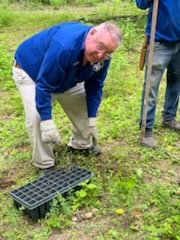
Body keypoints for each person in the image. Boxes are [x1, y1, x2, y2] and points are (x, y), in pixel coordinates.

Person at [12, 21, 122, 172]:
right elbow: (43, 85)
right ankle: (44, 163)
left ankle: (81, 144)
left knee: (83, 107)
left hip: (69, 76)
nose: (100, 55)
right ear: (92, 34)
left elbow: (95, 87)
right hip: (32, 73)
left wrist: (92, 119)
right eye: (100, 47)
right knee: (37, 116)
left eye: (108, 53)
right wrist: (47, 121)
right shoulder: (64, 46)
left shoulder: (103, 58)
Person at [136, 0, 180, 148]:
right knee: (151, 85)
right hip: (159, 41)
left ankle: (169, 118)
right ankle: (146, 129)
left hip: (179, 42)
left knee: (176, 81)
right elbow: (141, 4)